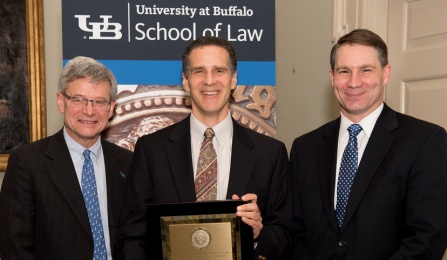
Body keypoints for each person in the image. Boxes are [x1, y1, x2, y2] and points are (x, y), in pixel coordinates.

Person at [114, 36, 292, 259]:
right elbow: (131, 237)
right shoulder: (151, 150)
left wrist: (257, 234)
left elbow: (285, 235)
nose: (209, 81)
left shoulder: (270, 154)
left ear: (234, 79)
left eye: (219, 70)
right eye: (199, 71)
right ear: (185, 81)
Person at [290, 28, 447, 259]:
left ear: (385, 74)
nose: (354, 82)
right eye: (344, 71)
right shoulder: (305, 148)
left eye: (365, 70)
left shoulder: (425, 141)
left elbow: (428, 237)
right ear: (332, 77)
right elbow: (296, 232)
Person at [0, 56, 133, 259]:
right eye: (78, 100)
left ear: (111, 108)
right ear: (61, 102)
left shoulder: (128, 163)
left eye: (99, 102)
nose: (89, 111)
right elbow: (15, 249)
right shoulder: (27, 163)